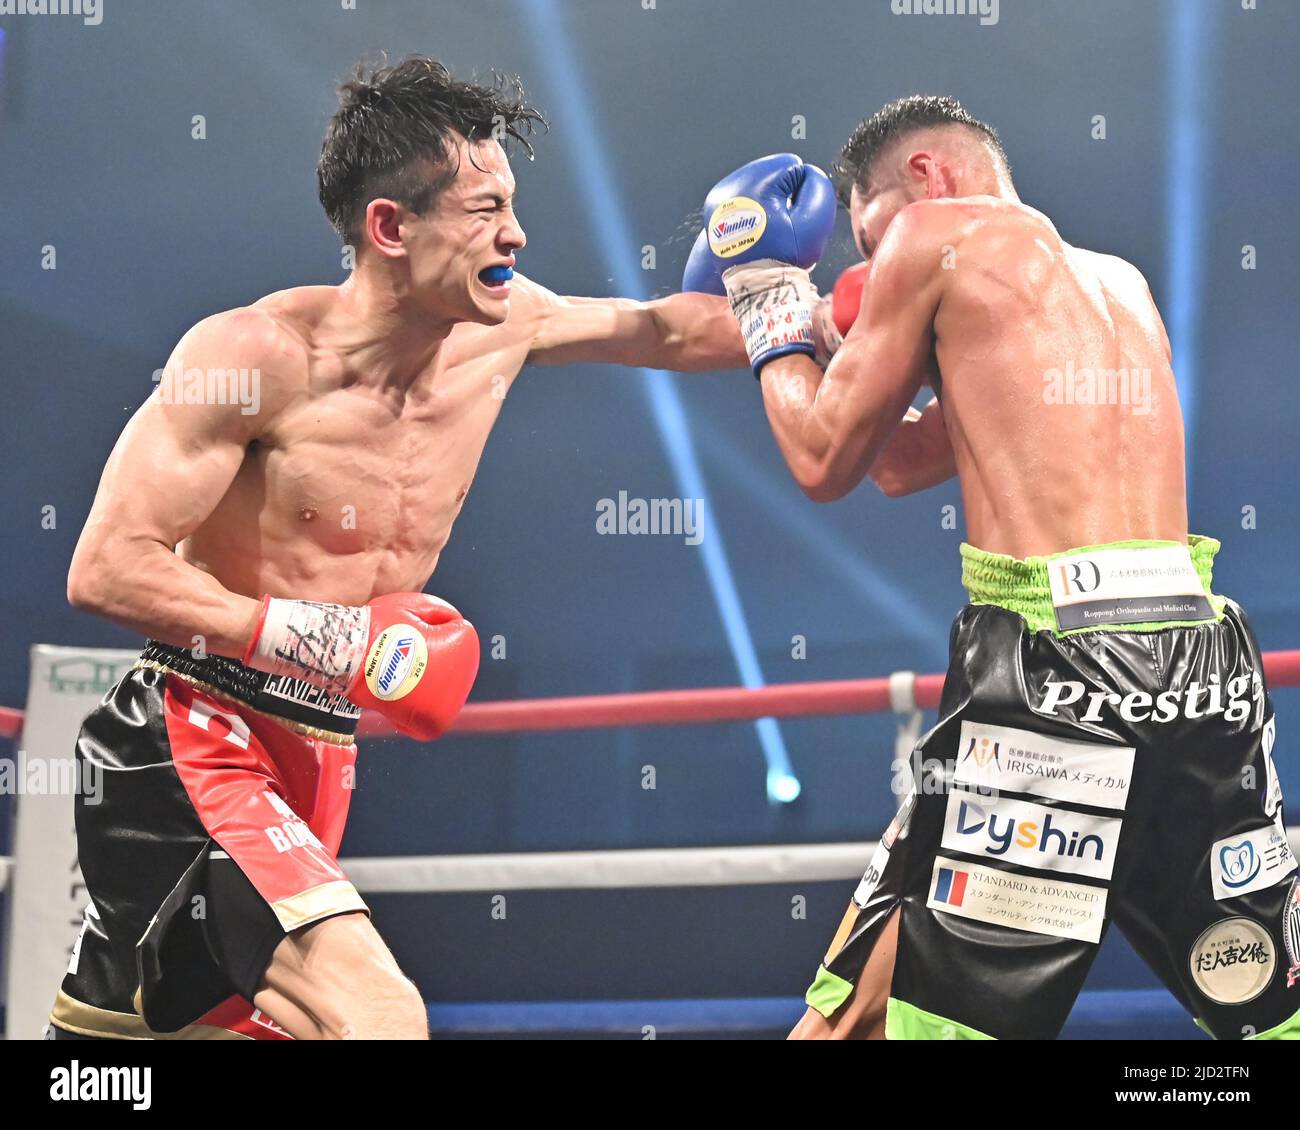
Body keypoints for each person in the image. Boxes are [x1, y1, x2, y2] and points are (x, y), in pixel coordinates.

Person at [48, 56, 747, 1042]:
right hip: (192, 736)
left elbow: (671, 331)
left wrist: (817, 309)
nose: (516, 233)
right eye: (484, 208)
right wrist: (317, 635)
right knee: (378, 1015)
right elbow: (106, 562)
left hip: (319, 753)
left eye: (511, 204)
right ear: (389, 227)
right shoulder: (254, 358)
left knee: (136, 1044)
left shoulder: (509, 328)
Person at [685, 95, 1298, 1041]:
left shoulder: (933, 233)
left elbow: (822, 459)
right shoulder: (1120, 284)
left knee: (904, 1023)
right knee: (1263, 1007)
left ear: (928, 177)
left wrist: (770, 299)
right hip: (1205, 665)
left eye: (868, 234)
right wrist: (864, 346)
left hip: (1059, 673)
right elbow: (897, 462)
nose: (867, 266)